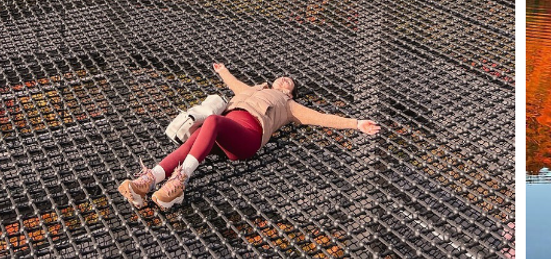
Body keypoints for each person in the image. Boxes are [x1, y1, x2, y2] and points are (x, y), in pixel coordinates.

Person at [118, 62, 382, 210]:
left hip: (247, 136)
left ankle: (181, 181)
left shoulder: (288, 105)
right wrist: (222, 71)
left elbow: (322, 118)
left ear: (290, 93)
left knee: (211, 122)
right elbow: (233, 84)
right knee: (195, 136)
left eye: (289, 82)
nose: (284, 80)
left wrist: (357, 123)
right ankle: (150, 181)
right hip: (222, 131)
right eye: (282, 77)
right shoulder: (253, 89)